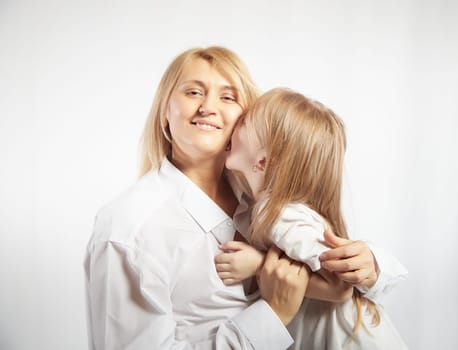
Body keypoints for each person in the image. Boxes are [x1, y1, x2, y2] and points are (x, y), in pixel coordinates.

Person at [84, 46, 404, 350]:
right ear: (164, 112)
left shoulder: (265, 198)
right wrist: (273, 314)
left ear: (245, 117)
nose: (208, 107)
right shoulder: (128, 229)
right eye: (193, 91)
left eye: (228, 96)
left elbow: (335, 270)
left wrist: (372, 265)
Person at [217, 88, 408, 349]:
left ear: (261, 163)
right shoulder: (273, 208)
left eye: (245, 123)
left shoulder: (279, 216)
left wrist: (259, 265)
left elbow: (340, 287)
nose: (235, 126)